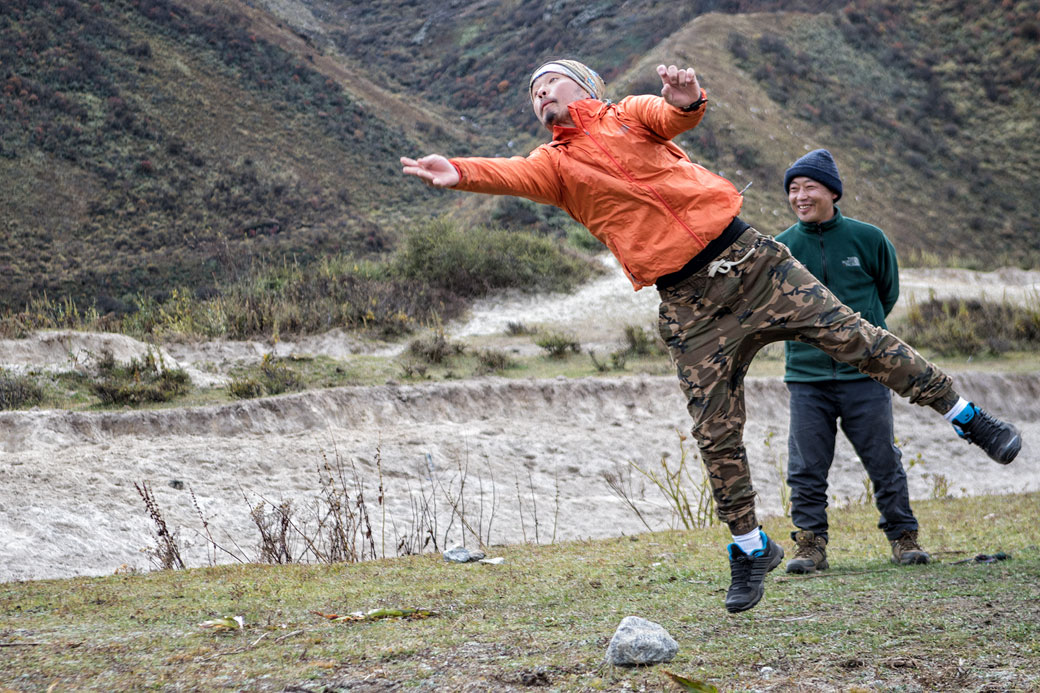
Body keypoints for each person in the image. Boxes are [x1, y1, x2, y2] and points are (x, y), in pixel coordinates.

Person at [399, 59, 1022, 613]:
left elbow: (670, 116)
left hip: (755, 266)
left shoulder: (628, 116)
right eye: (532, 93)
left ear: (585, 86)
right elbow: (504, 172)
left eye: (550, 83)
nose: (540, 96)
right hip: (690, 306)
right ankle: (750, 547)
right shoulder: (553, 168)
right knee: (714, 430)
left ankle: (969, 417)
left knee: (861, 339)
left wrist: (684, 98)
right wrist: (455, 169)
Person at [776, 149, 930, 574]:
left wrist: (863, 343)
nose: (800, 196)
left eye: (808, 187)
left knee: (883, 459)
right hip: (806, 376)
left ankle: (904, 538)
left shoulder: (869, 238)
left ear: (832, 192)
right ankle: (810, 546)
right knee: (806, 467)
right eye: (793, 189)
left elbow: (887, 294)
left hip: (866, 373)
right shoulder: (782, 248)